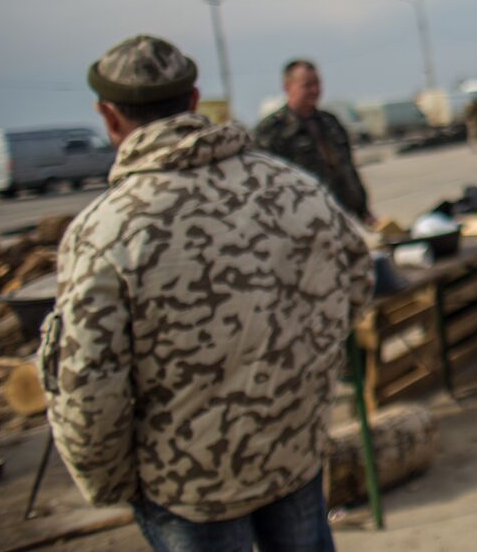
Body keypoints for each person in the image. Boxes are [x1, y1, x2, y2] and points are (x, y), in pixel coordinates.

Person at [39, 34, 373, 550]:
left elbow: (88, 386)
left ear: (108, 116)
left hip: (188, 484)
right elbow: (355, 285)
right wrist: (298, 395)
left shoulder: (105, 231)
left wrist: (113, 484)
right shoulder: (293, 188)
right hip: (290, 453)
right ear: (194, 101)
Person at [255, 59, 373, 223]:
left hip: (344, 215)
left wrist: (363, 210)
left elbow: (348, 170)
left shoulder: (330, 122)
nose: (315, 90)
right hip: (305, 220)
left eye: (317, 84)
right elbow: (266, 185)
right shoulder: (272, 130)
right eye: (307, 85)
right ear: (287, 86)